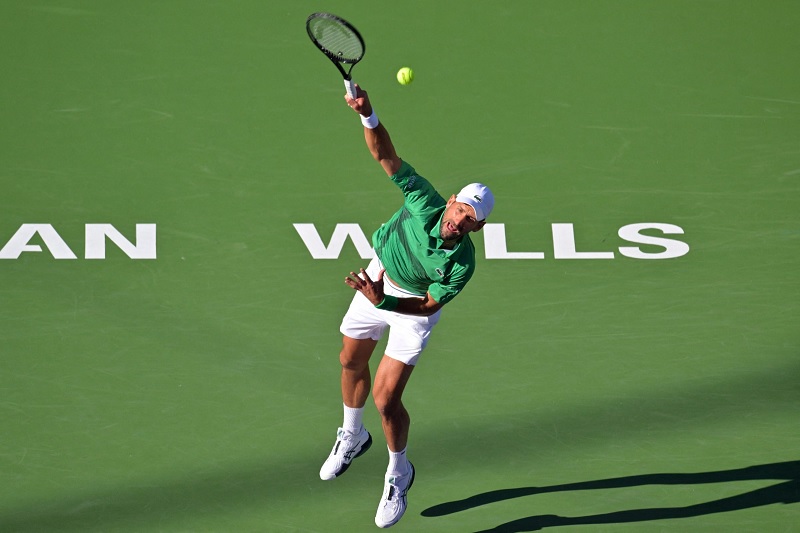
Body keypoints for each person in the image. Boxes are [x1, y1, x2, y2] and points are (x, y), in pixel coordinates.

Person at [318, 83, 495, 529]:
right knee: (349, 360)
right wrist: (367, 114)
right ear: (451, 200)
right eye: (460, 209)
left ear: (479, 225)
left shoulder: (461, 264)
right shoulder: (423, 200)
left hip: (409, 310)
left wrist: (386, 301)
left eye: (470, 218)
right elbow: (386, 158)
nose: (460, 219)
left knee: (386, 399)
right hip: (378, 279)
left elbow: (428, 303)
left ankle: (399, 472)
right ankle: (352, 435)